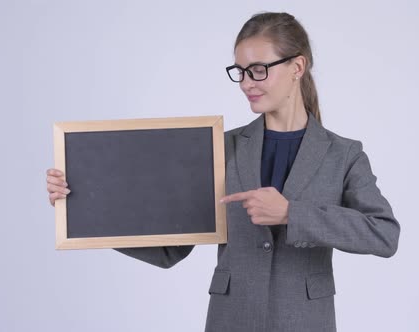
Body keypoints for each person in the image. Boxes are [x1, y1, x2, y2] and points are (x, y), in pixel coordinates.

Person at [46, 12, 400, 332]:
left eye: (259, 69)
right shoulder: (220, 148)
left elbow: (384, 235)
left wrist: (292, 214)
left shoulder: (343, 154)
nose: (247, 82)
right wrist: (83, 207)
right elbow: (170, 249)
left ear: (297, 67)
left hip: (306, 322)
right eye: (241, 72)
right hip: (231, 320)